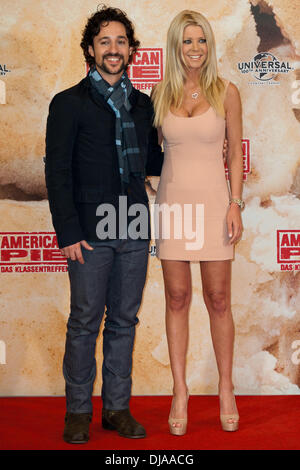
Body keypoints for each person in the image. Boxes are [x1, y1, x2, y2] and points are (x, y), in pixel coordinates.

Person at [45, 5, 163, 443]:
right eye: (104, 42)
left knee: (124, 321)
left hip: (133, 222)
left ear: (131, 50)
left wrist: (183, 136)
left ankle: (116, 408)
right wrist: (68, 232)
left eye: (120, 41)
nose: (113, 49)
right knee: (84, 321)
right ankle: (77, 411)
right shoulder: (69, 103)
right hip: (90, 232)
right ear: (90, 50)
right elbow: (56, 172)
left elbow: (151, 161)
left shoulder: (142, 103)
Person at [152, 10, 244, 435]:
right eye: (187, 41)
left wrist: (235, 203)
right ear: (176, 46)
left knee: (219, 299)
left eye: (201, 40)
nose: (195, 48)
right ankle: (180, 391)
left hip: (214, 205)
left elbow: (235, 155)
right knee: (176, 297)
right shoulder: (157, 93)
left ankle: (226, 388)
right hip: (173, 208)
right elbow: (153, 153)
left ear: (209, 45)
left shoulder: (227, 91)